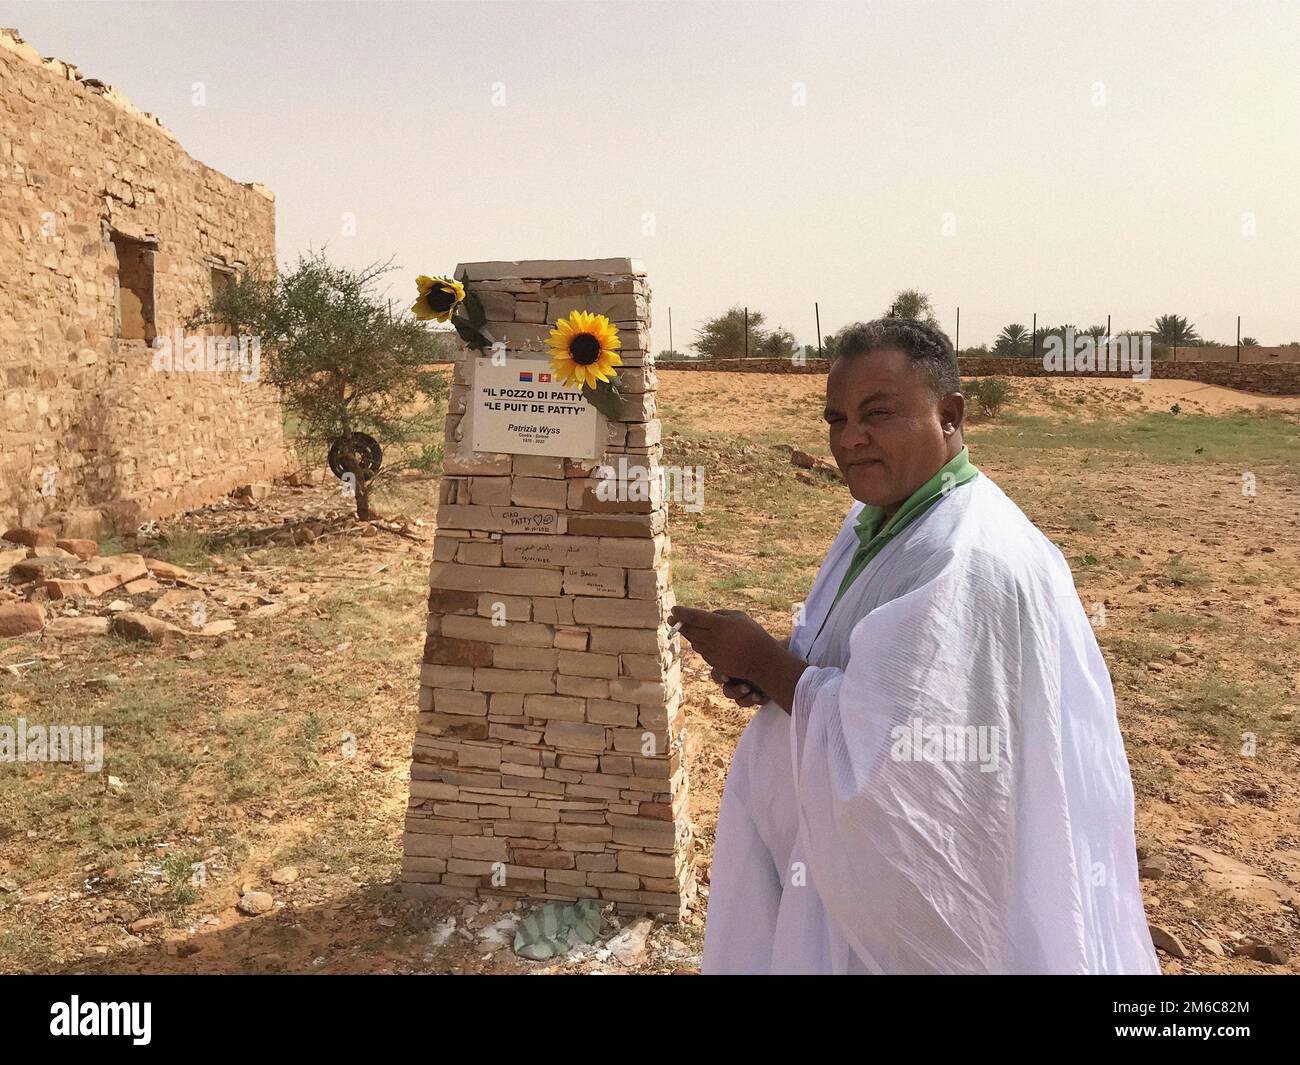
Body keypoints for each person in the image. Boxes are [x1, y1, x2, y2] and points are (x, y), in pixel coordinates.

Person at [669, 318, 1158, 975]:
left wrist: (765, 661)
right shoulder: (883, 519)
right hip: (830, 881)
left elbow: (904, 766)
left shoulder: (968, 560)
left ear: (949, 415)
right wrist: (774, 670)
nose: (850, 439)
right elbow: (862, 666)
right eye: (835, 419)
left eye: (878, 414)